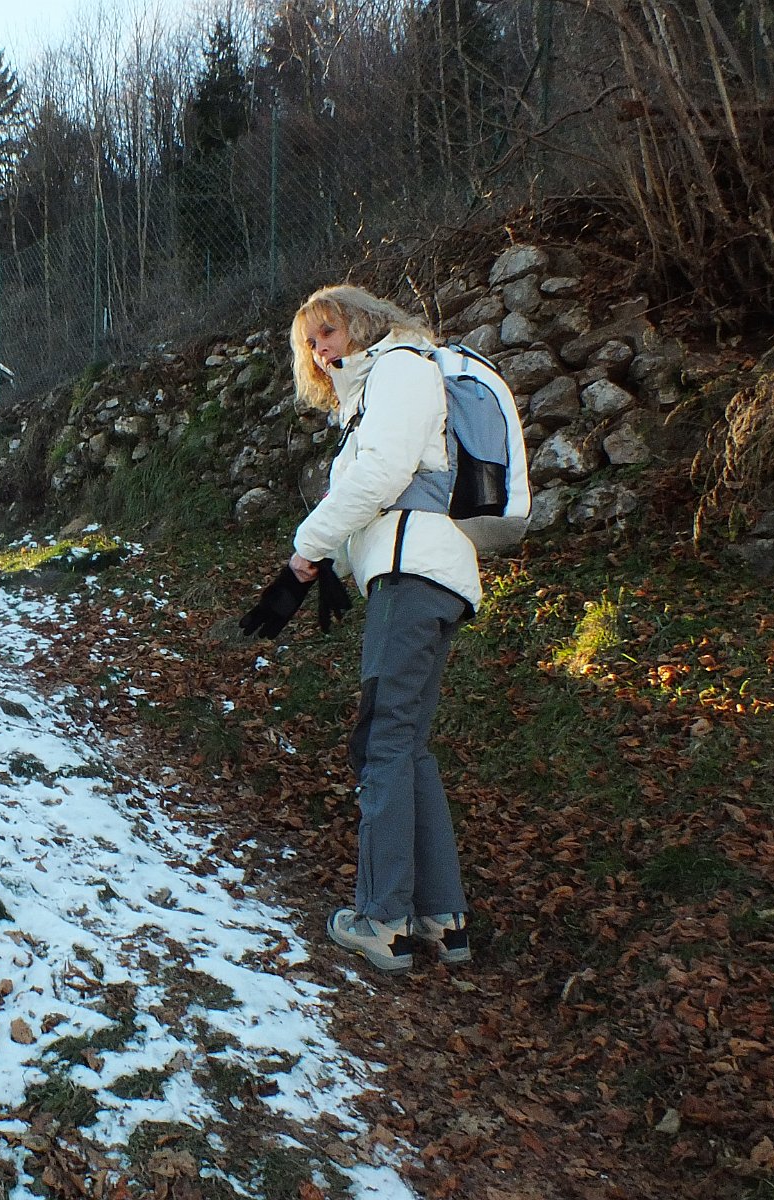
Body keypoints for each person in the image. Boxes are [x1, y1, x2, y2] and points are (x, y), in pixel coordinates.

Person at [286, 284, 478, 972]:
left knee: (382, 744)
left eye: (328, 332)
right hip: (429, 574)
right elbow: (371, 492)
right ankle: (439, 918)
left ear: (362, 323)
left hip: (413, 573)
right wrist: (322, 561)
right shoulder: (377, 388)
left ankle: (382, 919)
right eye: (311, 343)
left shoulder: (401, 367)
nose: (320, 349)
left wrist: (309, 543)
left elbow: (381, 475)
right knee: (408, 744)